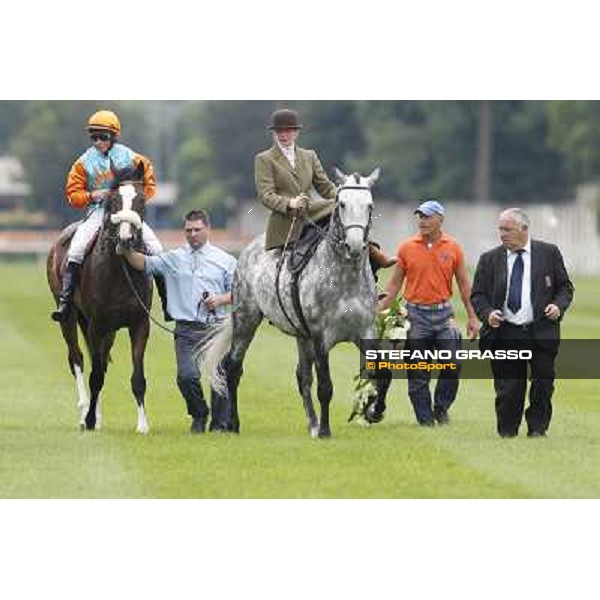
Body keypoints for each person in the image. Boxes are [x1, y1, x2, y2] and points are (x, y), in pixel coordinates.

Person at [123, 209, 237, 434]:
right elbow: (145, 263)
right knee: (186, 377)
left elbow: (241, 292)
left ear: (208, 229)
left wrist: (221, 299)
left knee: (219, 378)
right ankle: (199, 413)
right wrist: (125, 251)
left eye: (197, 230)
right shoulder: (174, 258)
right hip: (185, 329)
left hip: (217, 328)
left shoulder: (226, 260)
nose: (192, 234)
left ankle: (219, 426)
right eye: (188, 230)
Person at [51, 109, 170, 323]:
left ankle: (167, 302)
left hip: (128, 211)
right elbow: (73, 194)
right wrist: (92, 194)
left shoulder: (133, 158)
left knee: (157, 249)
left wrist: (132, 197)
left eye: (103, 137)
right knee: (76, 249)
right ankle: (66, 301)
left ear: (114, 136)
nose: (98, 142)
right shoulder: (83, 162)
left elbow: (149, 185)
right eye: (94, 137)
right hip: (98, 212)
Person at [470, 208, 574, 438]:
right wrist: (487, 314)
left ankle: (537, 429)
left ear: (524, 230)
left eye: (508, 229)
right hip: (505, 334)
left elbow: (565, 287)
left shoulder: (549, 253)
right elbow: (478, 295)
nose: (502, 234)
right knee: (509, 388)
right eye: (500, 229)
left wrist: (558, 306)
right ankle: (507, 432)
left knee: (542, 385)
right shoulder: (489, 259)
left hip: (541, 331)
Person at [378, 200, 479, 426]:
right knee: (418, 374)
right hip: (415, 317)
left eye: (427, 216)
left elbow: (464, 285)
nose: (422, 221)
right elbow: (394, 285)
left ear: (440, 220)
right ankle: (426, 421)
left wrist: (472, 317)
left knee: (452, 364)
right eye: (420, 217)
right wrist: (379, 311)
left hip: (444, 316)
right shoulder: (406, 247)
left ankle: (441, 408)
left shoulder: (453, 247)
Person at [254, 108, 395, 271]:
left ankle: (371, 257)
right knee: (336, 208)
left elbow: (325, 186)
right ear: (274, 133)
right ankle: (373, 252)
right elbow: (265, 195)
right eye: (279, 131)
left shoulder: (309, 156)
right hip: (286, 220)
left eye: (288, 130)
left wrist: (344, 195)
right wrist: (290, 203)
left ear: (296, 133)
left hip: (311, 212)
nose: (283, 135)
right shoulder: (264, 159)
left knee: (348, 211)